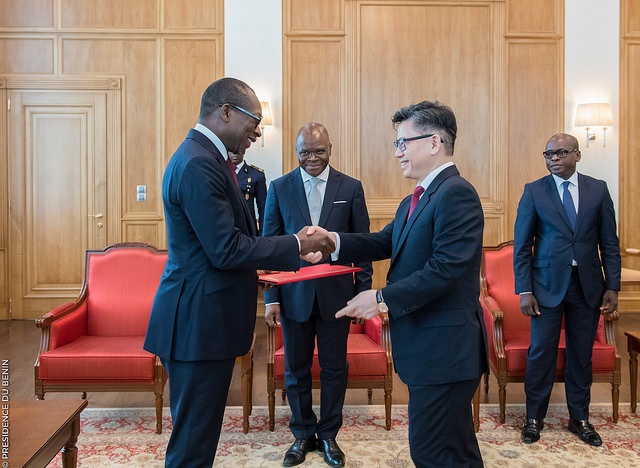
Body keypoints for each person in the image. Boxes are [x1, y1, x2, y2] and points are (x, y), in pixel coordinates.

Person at [143, 77, 335, 468]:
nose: (258, 132)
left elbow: (233, 243)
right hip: (197, 325)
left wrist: (290, 258)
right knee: (192, 446)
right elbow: (226, 249)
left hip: (204, 321)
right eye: (255, 121)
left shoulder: (207, 157)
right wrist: (297, 244)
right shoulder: (199, 163)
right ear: (227, 112)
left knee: (198, 437)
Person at [311, 101, 487, 467]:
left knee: (432, 451)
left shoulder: (456, 193)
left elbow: (445, 269)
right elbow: (383, 241)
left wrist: (379, 297)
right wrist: (331, 243)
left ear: (435, 142)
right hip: (429, 350)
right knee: (454, 449)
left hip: (446, 352)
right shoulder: (415, 198)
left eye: (403, 143)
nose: (398, 153)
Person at [262, 122, 373, 468]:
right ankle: (301, 434)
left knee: (334, 368)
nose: (312, 158)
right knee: (295, 369)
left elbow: (363, 246)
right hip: (293, 297)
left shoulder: (351, 188)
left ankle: (329, 435)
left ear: (330, 149)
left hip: (337, 297)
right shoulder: (279, 188)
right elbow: (270, 248)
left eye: (318, 151)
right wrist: (272, 298)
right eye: (305, 152)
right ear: (296, 152)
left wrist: (363, 294)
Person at [514, 132, 621, 446]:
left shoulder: (598, 190)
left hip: (587, 286)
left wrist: (612, 286)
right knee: (541, 353)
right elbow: (523, 247)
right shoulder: (534, 191)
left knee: (581, 355)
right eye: (548, 155)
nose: (554, 159)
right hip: (545, 287)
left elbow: (610, 245)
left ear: (577, 155)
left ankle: (580, 418)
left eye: (560, 153)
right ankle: (534, 417)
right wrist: (524, 290)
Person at [229, 150, 267, 235]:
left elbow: (263, 209)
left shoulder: (256, 175)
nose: (234, 153)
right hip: (227, 230)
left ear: (243, 149)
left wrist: (262, 235)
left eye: (237, 149)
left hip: (248, 231)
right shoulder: (221, 173)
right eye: (231, 150)